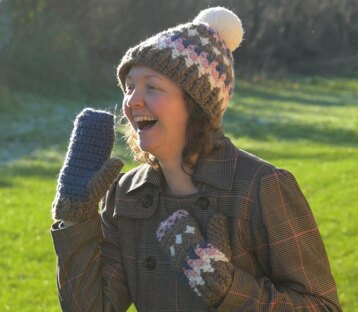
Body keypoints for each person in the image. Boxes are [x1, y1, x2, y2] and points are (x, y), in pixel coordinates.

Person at [51, 7, 342, 312]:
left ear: (196, 103)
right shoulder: (125, 195)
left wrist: (229, 290)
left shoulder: (260, 188)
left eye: (152, 86)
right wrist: (76, 217)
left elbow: (322, 306)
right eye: (129, 87)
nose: (132, 101)